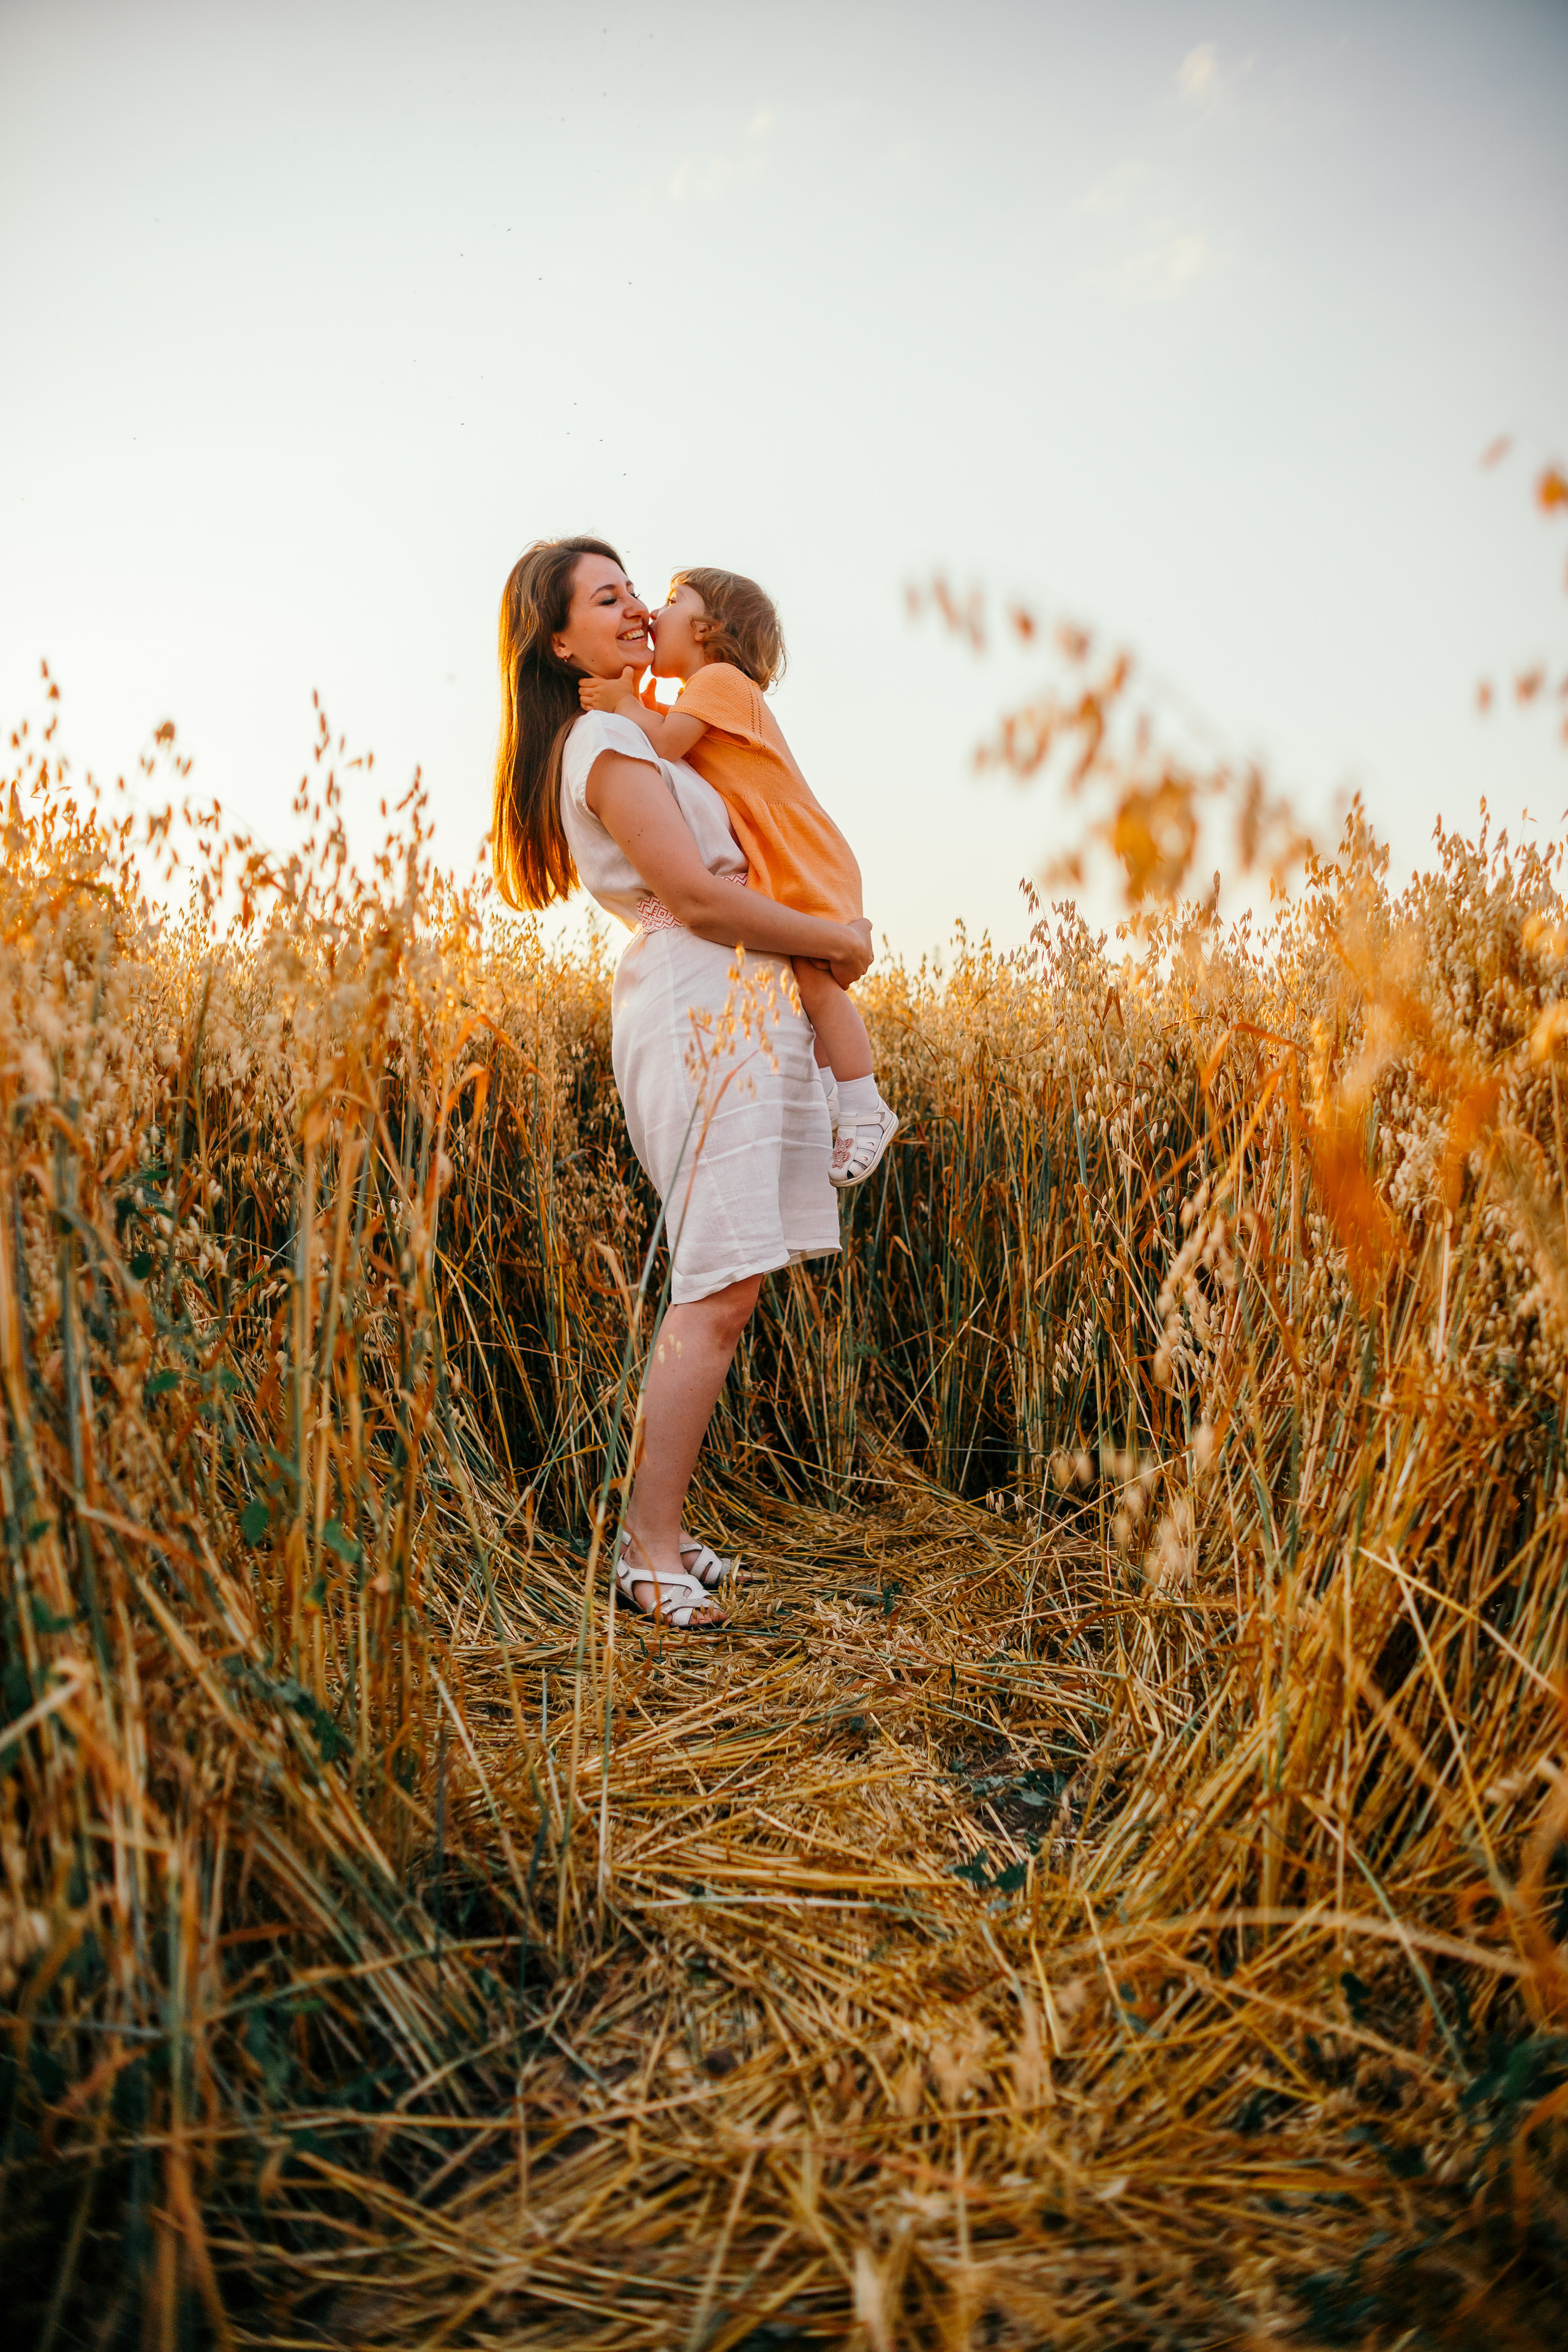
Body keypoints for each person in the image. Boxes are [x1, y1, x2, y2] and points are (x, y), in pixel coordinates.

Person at [491, 538, 874, 1629]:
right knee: (713, 1286)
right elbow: (700, 903)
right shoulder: (603, 742)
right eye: (606, 599)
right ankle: (645, 1551)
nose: (631, 610)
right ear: (559, 641)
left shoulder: (635, 734)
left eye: (633, 592)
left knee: (728, 1283)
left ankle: (660, 1525)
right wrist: (834, 940)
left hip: (735, 1006)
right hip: (698, 1007)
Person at [578, 568, 899, 1186]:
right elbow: (660, 727)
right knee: (808, 981)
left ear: (705, 629)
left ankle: (863, 1106)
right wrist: (631, 694)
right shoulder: (705, 694)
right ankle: (838, 1094)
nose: (654, 612)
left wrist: (622, 703)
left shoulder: (722, 681)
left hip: (800, 853)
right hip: (782, 851)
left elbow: (664, 743)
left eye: (672, 601)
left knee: (815, 975)